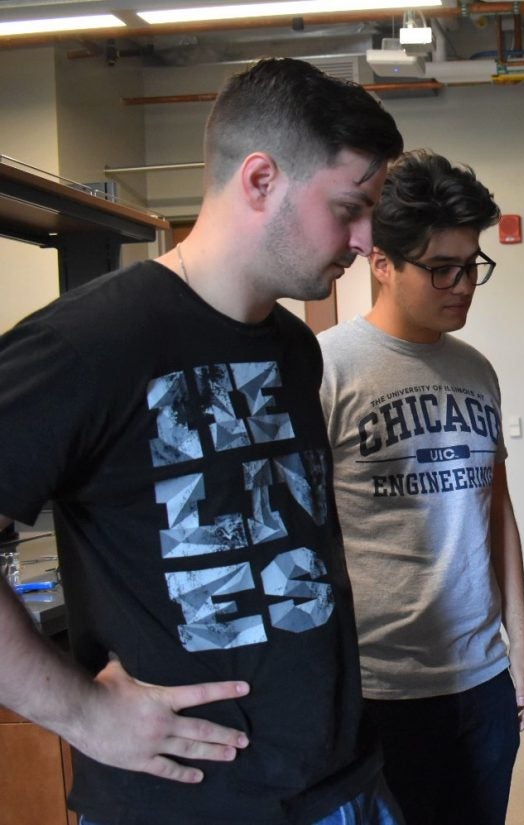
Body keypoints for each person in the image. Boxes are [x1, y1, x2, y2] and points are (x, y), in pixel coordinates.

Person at [0, 58, 404, 825]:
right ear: (259, 180)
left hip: (339, 783)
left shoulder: (293, 346)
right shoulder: (89, 343)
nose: (363, 239)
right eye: (350, 207)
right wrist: (83, 713)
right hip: (184, 803)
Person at [318, 149, 524, 825]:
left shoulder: (476, 370)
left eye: (471, 264)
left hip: (477, 677)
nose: (463, 283)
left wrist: (522, 643)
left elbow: (496, 511)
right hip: (376, 685)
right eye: (440, 268)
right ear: (380, 262)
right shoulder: (328, 367)